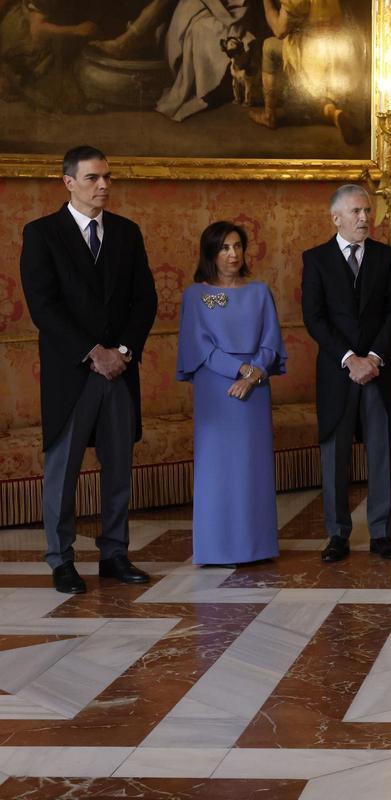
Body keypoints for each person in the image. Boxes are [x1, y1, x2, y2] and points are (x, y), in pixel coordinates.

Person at [19, 145, 158, 594]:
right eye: (94, 178)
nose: (103, 186)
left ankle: (115, 552)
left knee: (119, 467)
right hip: (72, 374)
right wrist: (91, 351)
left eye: (107, 177)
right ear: (69, 182)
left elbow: (145, 301)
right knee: (63, 474)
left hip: (119, 370)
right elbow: (43, 305)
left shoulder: (127, 232)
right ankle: (61, 560)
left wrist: (121, 351)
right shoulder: (42, 233)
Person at [301, 184, 391, 563]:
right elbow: (314, 318)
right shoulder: (315, 260)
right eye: (357, 212)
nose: (366, 218)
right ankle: (337, 534)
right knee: (335, 456)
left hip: (377, 371)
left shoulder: (386, 256)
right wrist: (350, 358)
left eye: (368, 210)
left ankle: (381, 533)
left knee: (380, 453)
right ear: (337, 218)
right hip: (337, 373)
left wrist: (375, 357)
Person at [177, 221, 286, 566]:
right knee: (218, 469)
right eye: (224, 247)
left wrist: (254, 375)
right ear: (210, 252)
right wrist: (241, 372)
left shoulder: (259, 292)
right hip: (216, 388)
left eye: (237, 246)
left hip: (254, 390)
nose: (233, 253)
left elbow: (271, 342)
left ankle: (258, 546)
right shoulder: (197, 295)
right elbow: (201, 347)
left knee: (252, 468)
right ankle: (216, 549)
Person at [251, 0, 363, 145]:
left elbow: (279, 30)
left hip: (313, 55)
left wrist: (267, 4)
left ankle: (269, 114)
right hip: (337, 52)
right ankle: (334, 114)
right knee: (314, 96)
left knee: (269, 46)